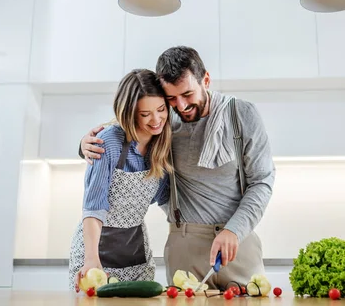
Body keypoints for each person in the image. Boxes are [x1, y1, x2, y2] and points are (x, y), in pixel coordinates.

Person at [78, 46, 275, 290]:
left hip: (236, 242)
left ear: (206, 80)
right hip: (183, 246)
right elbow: (126, 126)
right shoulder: (164, 120)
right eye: (171, 99)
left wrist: (233, 231)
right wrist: (85, 145)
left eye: (187, 94)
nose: (180, 106)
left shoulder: (241, 114)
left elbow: (262, 182)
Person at [69, 69, 172, 292]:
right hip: (95, 252)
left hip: (136, 253)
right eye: (145, 114)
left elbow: (166, 200)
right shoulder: (109, 142)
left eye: (161, 109)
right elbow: (94, 207)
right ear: (129, 113)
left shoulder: (163, 144)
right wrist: (91, 261)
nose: (156, 120)